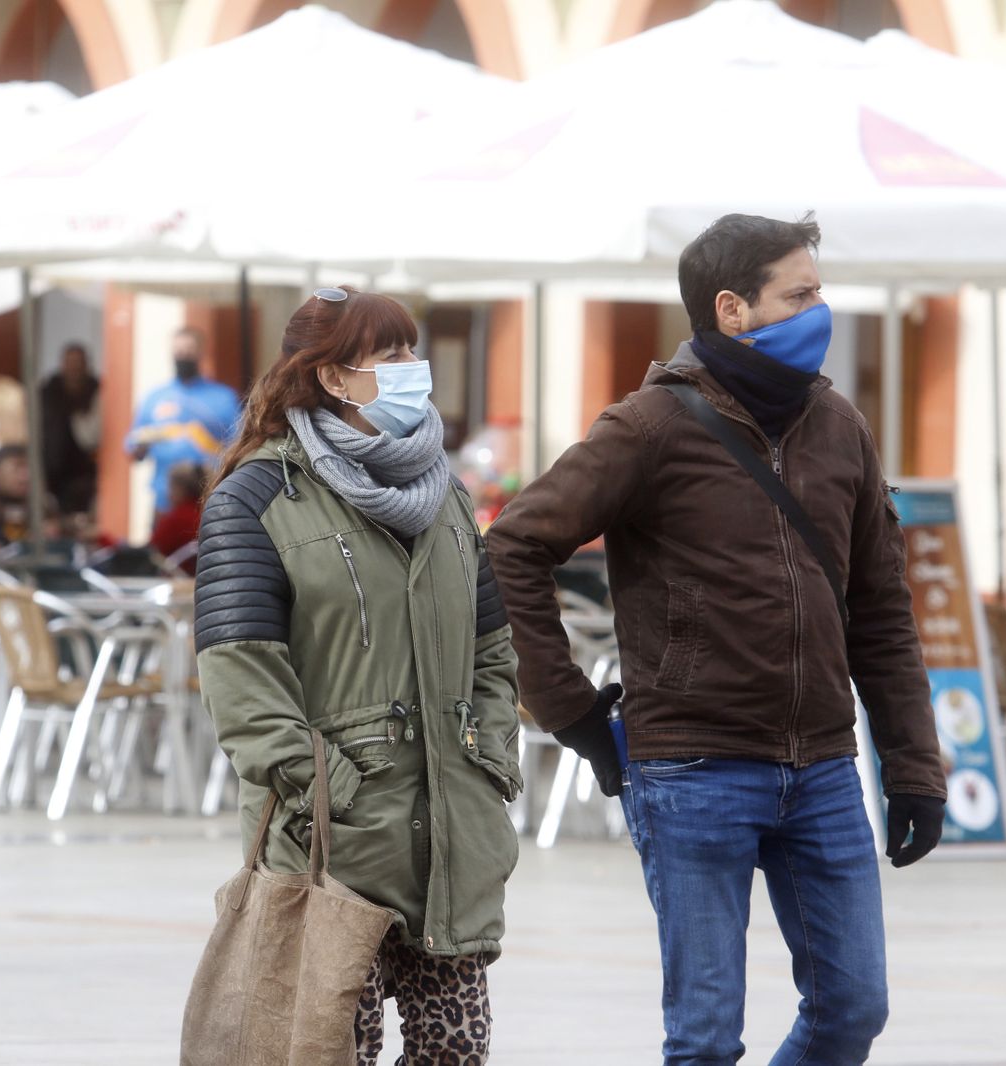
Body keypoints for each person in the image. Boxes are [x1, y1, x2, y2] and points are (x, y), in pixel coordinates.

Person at [486, 214, 947, 1066]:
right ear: (732, 309)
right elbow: (511, 546)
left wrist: (914, 767)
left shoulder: (839, 425)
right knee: (704, 1039)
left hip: (821, 770)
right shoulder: (650, 425)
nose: (821, 308)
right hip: (691, 770)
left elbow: (882, 610)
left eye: (820, 288)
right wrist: (573, 713)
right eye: (800, 293)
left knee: (853, 1011)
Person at [193, 286, 521, 1064]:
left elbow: (494, 653)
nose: (416, 368)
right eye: (393, 355)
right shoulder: (258, 496)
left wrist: (489, 757)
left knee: (457, 1050)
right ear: (335, 378)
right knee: (332, 1047)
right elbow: (241, 679)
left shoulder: (446, 497)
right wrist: (326, 788)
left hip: (450, 834)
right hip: (329, 841)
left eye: (414, 350)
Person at [126, 326, 239, 520]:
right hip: (165, 498)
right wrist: (141, 445)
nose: (183, 356)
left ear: (201, 353)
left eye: (188, 351)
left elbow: (240, 442)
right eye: (178, 351)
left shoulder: (223, 397)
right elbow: (133, 445)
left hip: (209, 496)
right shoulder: (155, 397)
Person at [41, 342, 101, 515]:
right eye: (70, 362)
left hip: (86, 469)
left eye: (78, 362)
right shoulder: (48, 392)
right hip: (53, 467)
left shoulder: (96, 391)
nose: (74, 367)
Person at [0, 443, 57, 546]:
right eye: (16, 469)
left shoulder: (43, 502)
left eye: (28, 468)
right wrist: (27, 537)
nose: (24, 477)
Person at [149, 462, 204, 572]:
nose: (167, 494)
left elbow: (152, 551)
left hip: (177, 581)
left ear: (181, 489)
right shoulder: (207, 512)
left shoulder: (176, 518)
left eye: (170, 487)